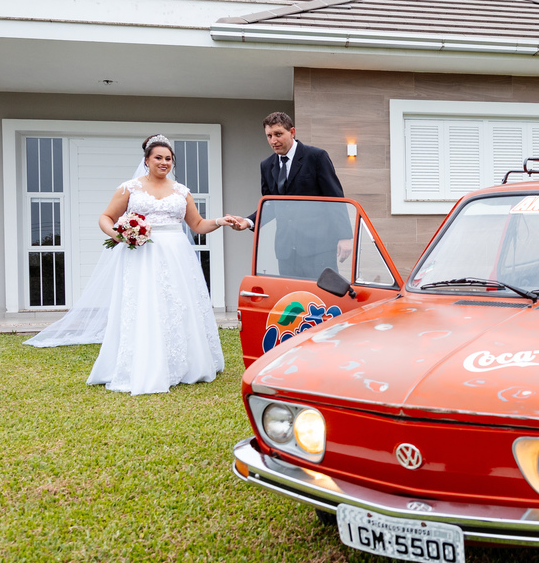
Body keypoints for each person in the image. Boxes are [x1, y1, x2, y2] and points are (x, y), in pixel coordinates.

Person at [26, 134, 232, 395]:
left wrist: (220, 221)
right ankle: (144, 363)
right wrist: (120, 235)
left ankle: (184, 364)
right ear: (146, 160)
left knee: (177, 304)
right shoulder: (129, 188)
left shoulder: (182, 192)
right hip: (142, 254)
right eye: (158, 157)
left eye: (168, 158)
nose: (164, 162)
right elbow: (106, 217)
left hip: (178, 256)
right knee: (146, 304)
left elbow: (198, 225)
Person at [226, 112, 352, 277]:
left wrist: (345, 237)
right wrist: (249, 221)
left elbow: (335, 198)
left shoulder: (316, 157)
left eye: (278, 134)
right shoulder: (266, 165)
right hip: (286, 252)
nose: (273, 140)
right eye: (269, 136)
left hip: (319, 248)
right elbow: (272, 205)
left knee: (323, 300)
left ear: (292, 132)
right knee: (292, 301)